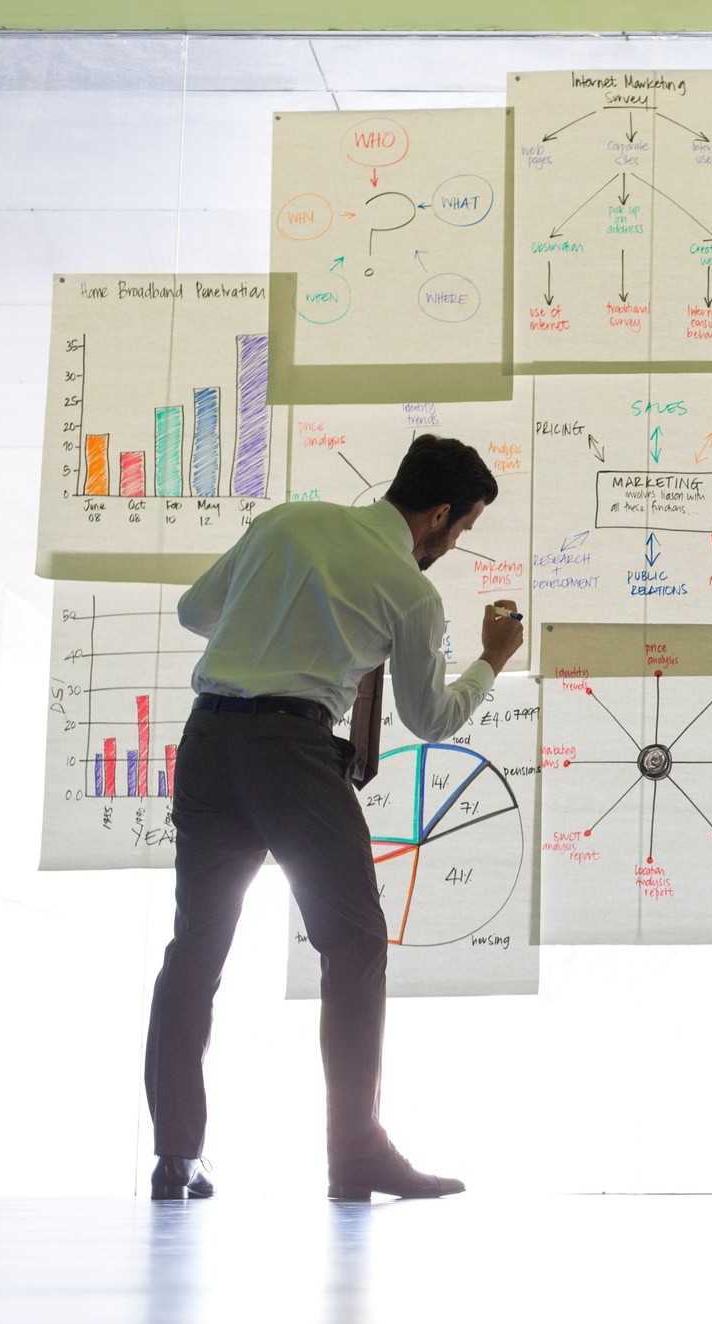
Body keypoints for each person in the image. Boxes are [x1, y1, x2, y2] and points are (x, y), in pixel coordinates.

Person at [144, 434, 525, 1202]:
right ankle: (356, 1158)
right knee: (352, 944)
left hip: (209, 742)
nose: (456, 545)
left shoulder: (288, 522)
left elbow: (194, 612)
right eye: (463, 531)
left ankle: (175, 1156)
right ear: (439, 515)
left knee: (196, 949)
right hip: (292, 752)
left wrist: (275, 623)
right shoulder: (408, 592)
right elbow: (432, 716)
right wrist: (493, 657)